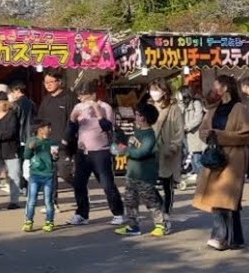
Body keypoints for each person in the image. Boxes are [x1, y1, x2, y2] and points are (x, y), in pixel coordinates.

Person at [194, 75, 249, 251]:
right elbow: (203, 130)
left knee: (223, 197)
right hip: (216, 157)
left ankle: (220, 237)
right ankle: (236, 238)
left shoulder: (240, 109)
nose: (214, 90)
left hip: (234, 159)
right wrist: (210, 135)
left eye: (216, 86)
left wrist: (220, 135)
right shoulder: (214, 109)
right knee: (226, 199)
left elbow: (246, 136)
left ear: (225, 87)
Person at [68, 85, 125, 226]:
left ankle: (118, 213)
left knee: (107, 184)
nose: (80, 99)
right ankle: (82, 214)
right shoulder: (78, 107)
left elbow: (108, 127)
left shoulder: (105, 107)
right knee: (79, 184)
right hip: (83, 151)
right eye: (79, 96)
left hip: (100, 151)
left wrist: (98, 111)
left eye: (83, 95)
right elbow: (71, 129)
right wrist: (73, 118)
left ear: (93, 94)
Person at [116, 105, 168, 237]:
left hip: (145, 174)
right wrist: (123, 149)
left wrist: (127, 151)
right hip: (132, 173)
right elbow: (132, 149)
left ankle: (161, 225)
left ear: (143, 118)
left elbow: (141, 152)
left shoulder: (149, 135)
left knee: (150, 200)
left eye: (137, 115)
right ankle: (132, 226)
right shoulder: (137, 132)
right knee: (130, 200)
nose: (135, 117)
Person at [36, 71, 74, 208]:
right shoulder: (46, 100)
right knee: (49, 175)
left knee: (65, 173)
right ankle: (51, 203)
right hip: (47, 144)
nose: (48, 85)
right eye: (46, 82)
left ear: (59, 82)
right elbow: (40, 120)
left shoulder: (69, 97)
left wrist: (66, 139)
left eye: (51, 82)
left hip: (63, 144)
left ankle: (80, 188)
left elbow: (73, 121)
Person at [151, 81, 184, 233]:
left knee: (167, 186)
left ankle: (166, 216)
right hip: (151, 152)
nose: (153, 92)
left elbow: (179, 130)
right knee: (148, 186)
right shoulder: (149, 106)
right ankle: (160, 212)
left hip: (168, 152)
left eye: (156, 89)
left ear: (164, 91)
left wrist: (173, 147)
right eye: (151, 89)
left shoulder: (174, 108)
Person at [22, 120, 58, 233]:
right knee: (31, 200)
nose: (50, 130)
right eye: (48, 127)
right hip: (35, 174)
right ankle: (29, 221)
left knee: (48, 200)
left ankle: (49, 221)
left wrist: (55, 156)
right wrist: (30, 148)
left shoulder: (52, 141)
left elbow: (55, 158)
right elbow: (26, 156)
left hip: (48, 174)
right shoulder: (32, 140)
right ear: (40, 129)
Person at [180, 86, 208, 189]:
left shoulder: (196, 103)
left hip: (196, 134)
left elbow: (198, 118)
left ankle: (204, 180)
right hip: (189, 135)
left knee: (197, 158)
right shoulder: (184, 104)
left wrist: (187, 127)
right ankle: (200, 179)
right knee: (194, 158)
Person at [8, 81, 37, 162]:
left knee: (19, 163)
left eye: (12, 92)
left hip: (20, 137)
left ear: (17, 90)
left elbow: (13, 122)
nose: (11, 94)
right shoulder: (32, 103)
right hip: (31, 136)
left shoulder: (15, 105)